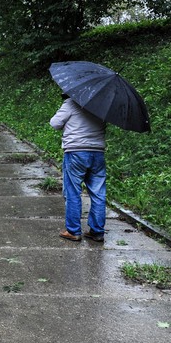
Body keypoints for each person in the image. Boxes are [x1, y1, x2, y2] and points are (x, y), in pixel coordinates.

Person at [49, 94, 107, 242]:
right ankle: (97, 231)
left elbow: (55, 123)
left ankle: (74, 231)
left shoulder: (71, 103)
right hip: (98, 153)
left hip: (76, 151)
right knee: (98, 193)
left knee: (73, 191)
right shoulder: (102, 105)